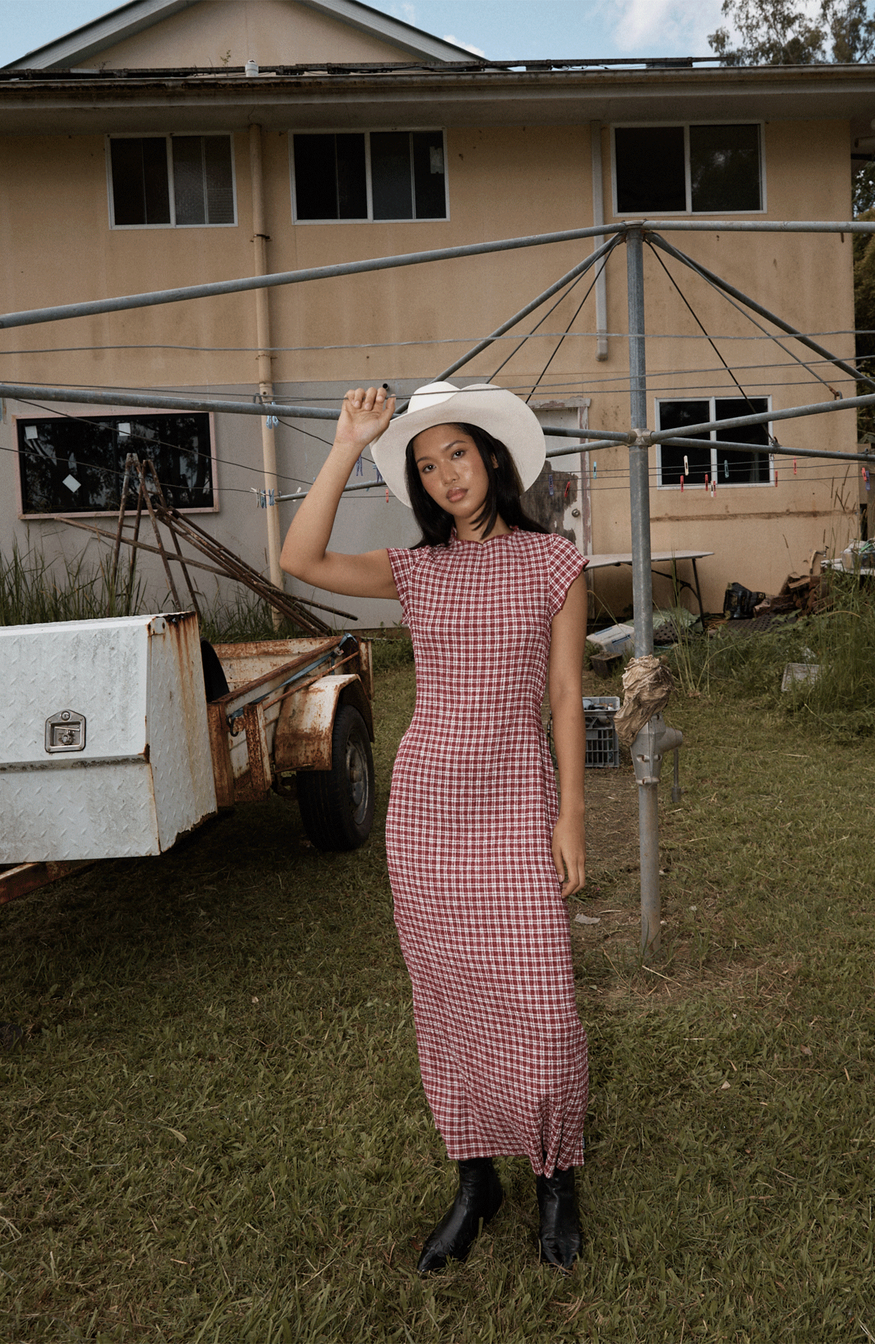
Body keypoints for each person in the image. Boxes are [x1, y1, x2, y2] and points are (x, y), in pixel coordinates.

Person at [280, 380, 589, 1273]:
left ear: (491, 457)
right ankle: (475, 1180)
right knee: (450, 1003)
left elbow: (566, 695)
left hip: (517, 803)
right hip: (427, 814)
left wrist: (572, 815)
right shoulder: (415, 571)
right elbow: (300, 557)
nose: (447, 475)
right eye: (425, 465)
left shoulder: (554, 563)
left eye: (458, 453)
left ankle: (556, 1178)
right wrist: (349, 442)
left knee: (543, 1003)